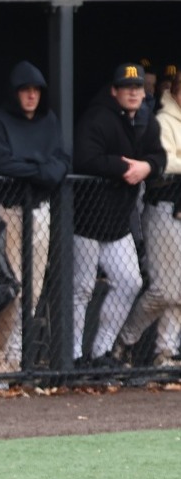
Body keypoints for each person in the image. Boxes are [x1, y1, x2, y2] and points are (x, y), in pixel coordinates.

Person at [0, 61, 71, 384]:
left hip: (41, 212)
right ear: (15, 93)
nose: (31, 96)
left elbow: (61, 162)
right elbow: (2, 162)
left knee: (33, 292)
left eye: (36, 91)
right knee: (12, 289)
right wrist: (40, 168)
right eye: (25, 90)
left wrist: (33, 167)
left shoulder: (49, 121)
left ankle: (19, 360)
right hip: (10, 212)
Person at [71, 63, 164, 370]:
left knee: (129, 282)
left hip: (117, 223)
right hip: (85, 221)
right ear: (115, 91)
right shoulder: (98, 118)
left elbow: (158, 155)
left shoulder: (145, 121)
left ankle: (101, 352)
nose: (134, 92)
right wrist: (126, 168)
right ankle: (72, 359)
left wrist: (146, 167)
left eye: (138, 88)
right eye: (127, 88)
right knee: (81, 289)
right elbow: (85, 158)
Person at [111, 64, 181, 368]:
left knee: (179, 289)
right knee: (165, 289)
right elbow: (164, 163)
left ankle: (165, 351)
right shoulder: (163, 119)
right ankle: (124, 341)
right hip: (164, 207)